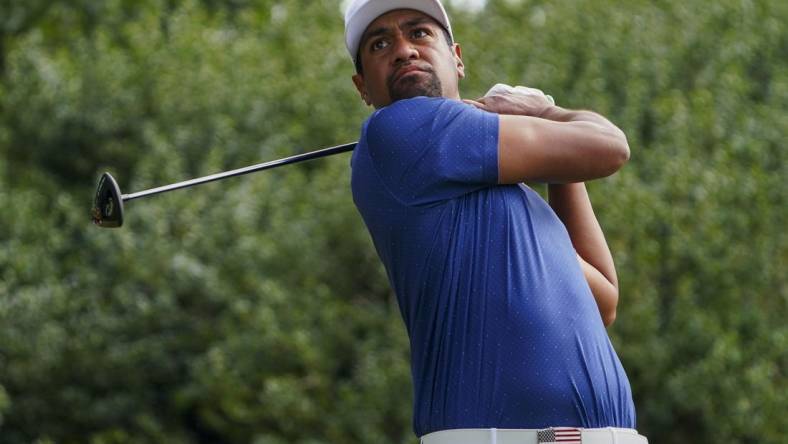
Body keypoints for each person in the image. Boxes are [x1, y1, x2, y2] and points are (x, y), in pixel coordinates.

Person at [344, 1, 647, 443]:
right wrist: (546, 114)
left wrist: (551, 158)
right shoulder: (401, 130)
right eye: (380, 43)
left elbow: (601, 298)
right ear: (363, 88)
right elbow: (610, 147)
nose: (405, 50)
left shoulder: (511, 197)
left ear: (458, 58)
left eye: (420, 33)